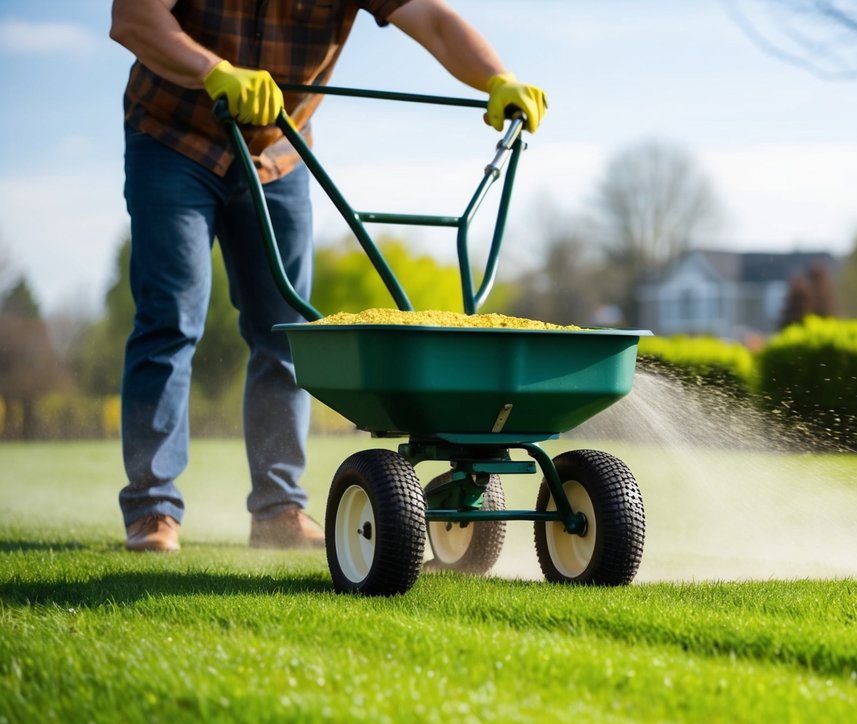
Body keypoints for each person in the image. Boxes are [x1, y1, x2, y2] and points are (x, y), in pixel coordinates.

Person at [110, 0, 546, 553]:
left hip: (278, 153)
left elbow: (433, 19)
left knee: (288, 331)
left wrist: (497, 78)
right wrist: (212, 70)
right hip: (174, 140)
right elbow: (133, 18)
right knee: (170, 320)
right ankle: (153, 510)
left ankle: (279, 509)